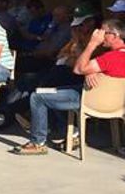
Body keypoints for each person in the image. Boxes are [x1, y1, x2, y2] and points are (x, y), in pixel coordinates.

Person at [13, 19, 125, 155]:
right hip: (116, 105)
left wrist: (92, 44)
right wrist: (92, 71)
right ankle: (68, 132)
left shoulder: (110, 57)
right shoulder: (114, 57)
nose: (98, 34)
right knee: (49, 90)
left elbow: (78, 69)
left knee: (37, 97)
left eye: (102, 31)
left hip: (89, 100)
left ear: (114, 35)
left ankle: (38, 142)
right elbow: (101, 69)